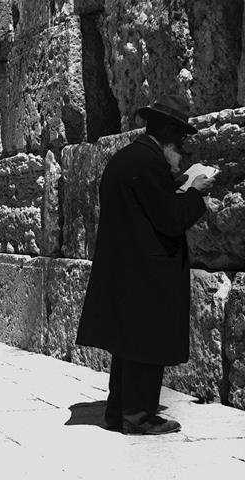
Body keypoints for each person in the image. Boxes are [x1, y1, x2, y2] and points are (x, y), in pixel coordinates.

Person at [75, 95, 215, 435]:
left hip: (127, 270)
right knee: (146, 347)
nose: (180, 156)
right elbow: (169, 219)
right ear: (167, 137)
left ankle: (117, 412)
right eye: (179, 146)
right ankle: (138, 417)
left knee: (128, 347)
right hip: (147, 274)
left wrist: (179, 186)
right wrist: (196, 192)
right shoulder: (149, 164)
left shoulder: (126, 159)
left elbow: (149, 206)